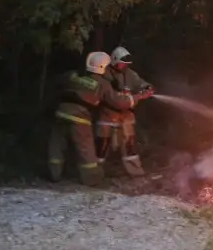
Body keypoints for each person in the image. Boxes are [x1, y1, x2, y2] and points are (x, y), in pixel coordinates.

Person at [47, 51, 144, 187]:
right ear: (103, 67)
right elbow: (119, 102)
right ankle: (92, 179)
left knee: (56, 145)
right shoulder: (101, 84)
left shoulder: (73, 74)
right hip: (80, 116)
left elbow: (58, 81)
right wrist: (138, 97)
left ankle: (53, 174)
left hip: (61, 112)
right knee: (86, 149)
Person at [96, 46, 155, 177]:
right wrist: (140, 96)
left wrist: (147, 87)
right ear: (114, 60)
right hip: (108, 115)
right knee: (102, 146)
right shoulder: (105, 74)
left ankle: (136, 172)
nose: (124, 66)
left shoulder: (129, 74)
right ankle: (95, 173)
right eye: (123, 63)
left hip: (126, 115)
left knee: (130, 146)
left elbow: (140, 82)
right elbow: (115, 100)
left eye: (127, 64)